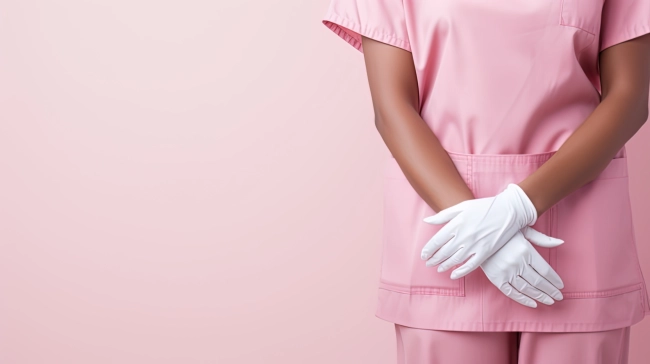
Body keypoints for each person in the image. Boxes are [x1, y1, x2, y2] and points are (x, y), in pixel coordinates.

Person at [321, 0, 650, 362]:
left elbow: (628, 97)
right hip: (448, 231)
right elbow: (393, 106)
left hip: (578, 224)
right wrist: (475, 226)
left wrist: (518, 206)